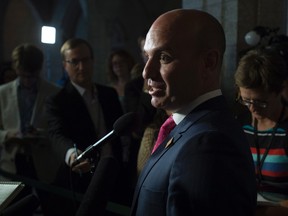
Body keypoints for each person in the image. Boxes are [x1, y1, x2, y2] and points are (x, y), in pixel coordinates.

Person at [130, 9, 257, 216]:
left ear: (209, 62)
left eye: (164, 57)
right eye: (147, 56)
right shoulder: (187, 128)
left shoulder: (209, 143)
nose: (146, 72)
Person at [45, 38, 126, 215]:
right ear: (64, 65)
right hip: (83, 179)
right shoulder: (57, 101)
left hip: (115, 175)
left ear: (93, 60)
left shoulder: (109, 94)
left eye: (85, 60)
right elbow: (55, 134)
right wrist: (73, 154)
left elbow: (122, 133)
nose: (81, 67)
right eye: (74, 61)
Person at [0, 43, 60, 215]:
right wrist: (7, 135)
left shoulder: (54, 92)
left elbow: (59, 131)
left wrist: (41, 134)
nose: (27, 81)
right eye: (23, 75)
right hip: (12, 162)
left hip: (44, 163)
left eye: (32, 76)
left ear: (39, 70)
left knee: (53, 208)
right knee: (13, 210)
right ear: (16, 69)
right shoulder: (2, 93)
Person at [234, 48, 288, 215]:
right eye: (246, 100)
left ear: (281, 90)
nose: (252, 108)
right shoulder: (240, 124)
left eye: (260, 102)